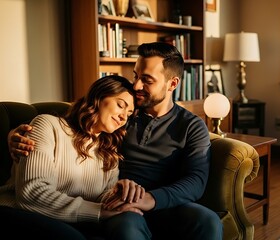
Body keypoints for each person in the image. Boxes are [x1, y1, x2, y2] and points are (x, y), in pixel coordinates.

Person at [8, 42, 223, 240]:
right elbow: (74, 118)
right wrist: (14, 134)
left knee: (208, 221)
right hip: (120, 201)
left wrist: (150, 198)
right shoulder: (123, 111)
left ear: (172, 83)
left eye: (147, 80)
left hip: (163, 202)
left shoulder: (191, 125)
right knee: (128, 226)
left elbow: (196, 180)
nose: (137, 86)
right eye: (135, 75)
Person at [0, 75, 148, 239]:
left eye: (128, 114)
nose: (123, 117)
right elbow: (32, 194)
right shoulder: (47, 125)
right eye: (120, 105)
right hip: (18, 212)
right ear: (98, 97)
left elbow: (101, 196)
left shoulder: (108, 151)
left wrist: (119, 195)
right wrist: (99, 211)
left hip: (71, 221)